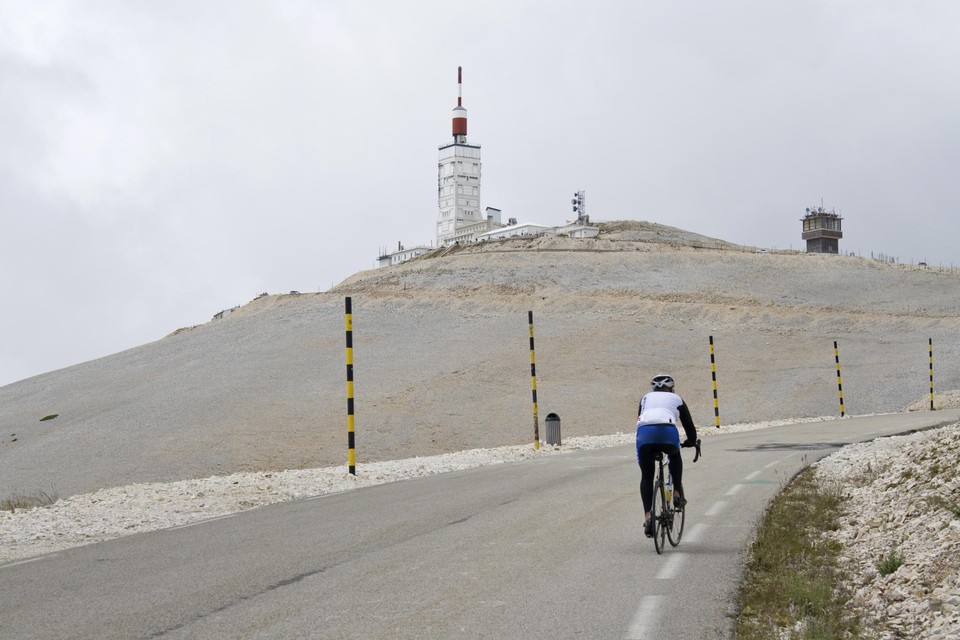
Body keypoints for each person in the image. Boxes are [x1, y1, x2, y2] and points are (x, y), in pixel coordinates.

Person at [636, 373, 698, 538]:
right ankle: (677, 492)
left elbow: (640, 418)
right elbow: (689, 426)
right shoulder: (676, 399)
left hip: (644, 433)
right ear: (671, 388)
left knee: (647, 476)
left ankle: (648, 517)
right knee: (674, 455)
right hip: (667, 431)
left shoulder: (645, 398)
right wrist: (691, 441)